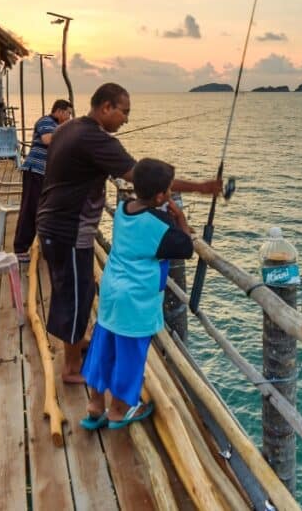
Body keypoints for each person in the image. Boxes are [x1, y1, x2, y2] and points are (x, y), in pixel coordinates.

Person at [37, 82, 219, 384]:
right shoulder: (95, 139)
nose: (126, 120)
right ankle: (71, 368)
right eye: (124, 112)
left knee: (73, 291)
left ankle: (76, 344)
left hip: (54, 224)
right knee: (77, 296)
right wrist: (202, 188)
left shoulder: (69, 128)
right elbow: (143, 178)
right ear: (106, 107)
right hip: (68, 229)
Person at [79, 158, 193, 429]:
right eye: (168, 189)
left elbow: (144, 220)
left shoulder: (122, 209)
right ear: (161, 196)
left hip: (111, 291)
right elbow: (185, 246)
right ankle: (118, 410)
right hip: (137, 299)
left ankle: (95, 406)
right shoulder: (162, 225)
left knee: (103, 345)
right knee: (130, 354)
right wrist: (180, 218)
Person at [13, 99, 73, 262]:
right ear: (60, 111)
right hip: (35, 172)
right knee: (30, 209)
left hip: (44, 175)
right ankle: (20, 248)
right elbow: (47, 140)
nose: (69, 117)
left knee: (44, 210)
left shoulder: (56, 126)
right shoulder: (46, 121)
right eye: (68, 113)